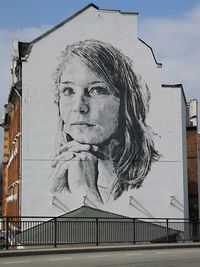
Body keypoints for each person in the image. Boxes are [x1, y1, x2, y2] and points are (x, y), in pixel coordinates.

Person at [50, 39, 159, 204]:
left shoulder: (153, 176)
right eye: (68, 90)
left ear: (125, 102)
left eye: (97, 90)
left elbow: (106, 229)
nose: (79, 106)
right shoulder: (59, 175)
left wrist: (85, 192)